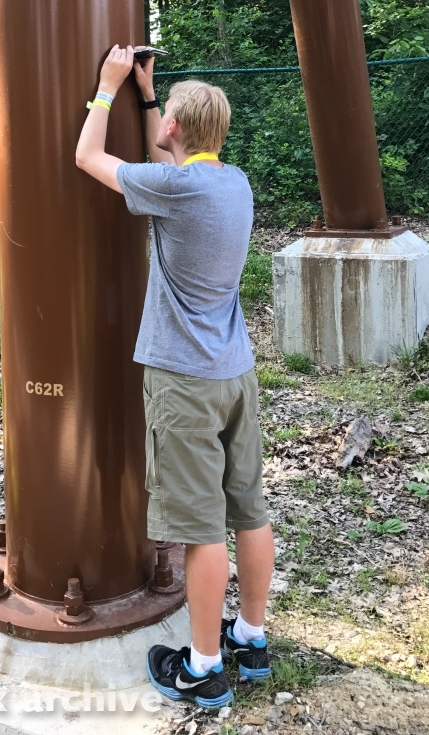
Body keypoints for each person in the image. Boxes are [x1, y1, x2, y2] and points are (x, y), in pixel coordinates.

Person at [76, 44, 275, 710]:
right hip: (236, 373)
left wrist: (107, 90)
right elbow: (172, 169)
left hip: (184, 382)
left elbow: (87, 159)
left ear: (175, 134)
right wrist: (154, 97)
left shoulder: (175, 187)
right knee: (250, 510)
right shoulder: (231, 182)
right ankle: (250, 637)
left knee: (200, 528)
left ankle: (203, 667)